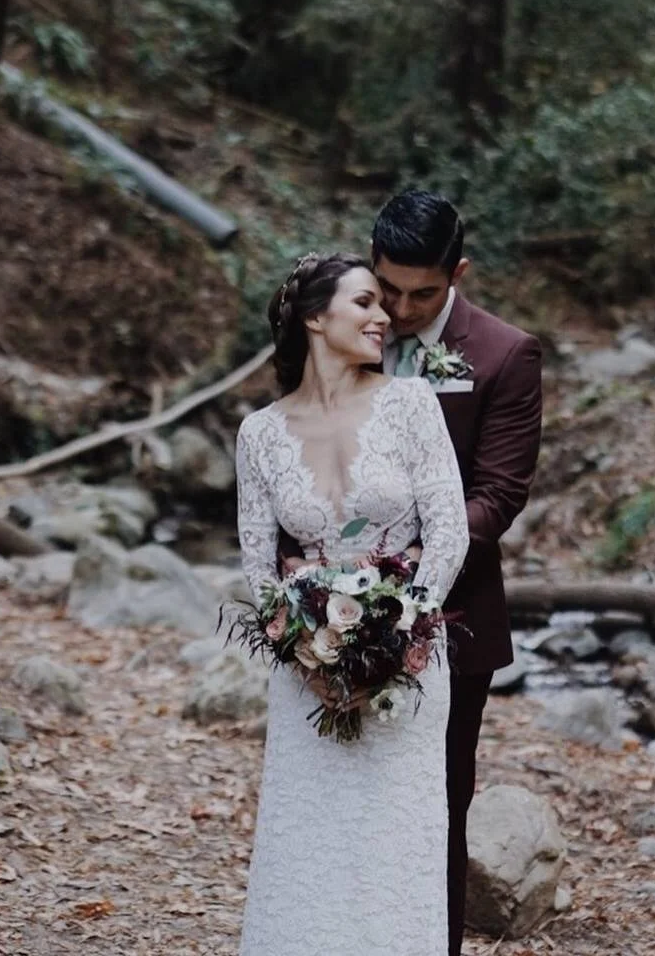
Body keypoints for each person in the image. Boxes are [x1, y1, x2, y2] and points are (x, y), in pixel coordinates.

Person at [235, 251, 470, 956]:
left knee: (395, 845)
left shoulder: (411, 403)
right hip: (307, 675)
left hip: (411, 666)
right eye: (365, 303)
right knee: (310, 843)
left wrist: (403, 636)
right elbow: (257, 562)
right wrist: (301, 647)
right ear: (315, 317)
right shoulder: (259, 434)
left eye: (382, 305)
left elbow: (449, 529)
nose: (384, 316)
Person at [371, 189, 544, 956]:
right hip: (332, 611)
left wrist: (399, 563)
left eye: (422, 293)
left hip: (451, 618)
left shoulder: (505, 354)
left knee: (436, 803)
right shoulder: (341, 328)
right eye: (389, 289)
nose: (401, 309)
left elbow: (499, 497)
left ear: (458, 273)